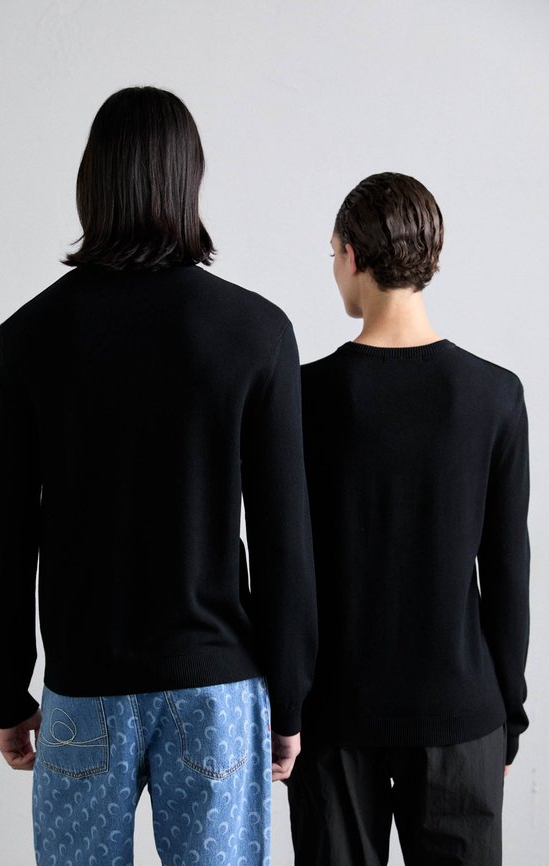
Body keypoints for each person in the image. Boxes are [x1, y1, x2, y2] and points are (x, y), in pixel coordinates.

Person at [0, 86, 317, 866]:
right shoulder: (257, 332)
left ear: (92, 181)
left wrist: (5, 689)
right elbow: (284, 539)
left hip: (84, 689)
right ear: (188, 180)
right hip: (216, 687)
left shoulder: (28, 337)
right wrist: (290, 700)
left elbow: (3, 535)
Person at [287, 173, 530, 866]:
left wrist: (286, 702)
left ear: (350, 254)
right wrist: (507, 714)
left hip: (334, 715)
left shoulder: (303, 396)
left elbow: (286, 567)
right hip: (461, 714)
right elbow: (508, 574)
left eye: (333, 254)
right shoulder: (494, 395)